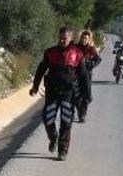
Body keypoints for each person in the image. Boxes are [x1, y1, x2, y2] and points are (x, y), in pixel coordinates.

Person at [30, 26, 89, 161]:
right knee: (48, 118)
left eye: (65, 38)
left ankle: (62, 150)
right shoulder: (50, 52)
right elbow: (41, 69)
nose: (62, 40)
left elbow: (84, 75)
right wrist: (35, 87)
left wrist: (86, 94)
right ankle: (53, 137)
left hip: (69, 93)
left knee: (66, 121)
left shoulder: (78, 54)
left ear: (71, 38)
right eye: (61, 38)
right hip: (52, 91)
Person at [75, 30, 101, 123]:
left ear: (89, 39)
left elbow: (98, 59)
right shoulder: (75, 48)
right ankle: (81, 114)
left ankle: (83, 111)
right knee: (77, 97)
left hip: (87, 76)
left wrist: (92, 64)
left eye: (85, 38)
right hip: (76, 76)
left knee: (88, 97)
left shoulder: (91, 49)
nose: (83, 40)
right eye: (82, 38)